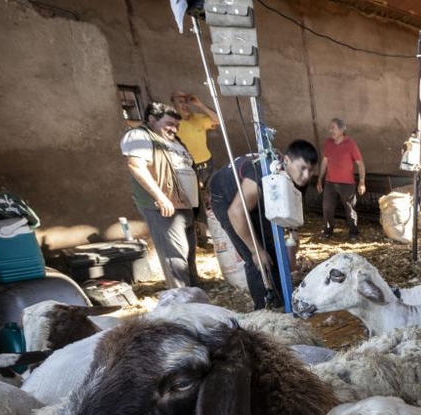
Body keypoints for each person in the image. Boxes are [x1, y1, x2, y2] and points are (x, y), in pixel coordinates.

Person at [207, 140, 318, 309]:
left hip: (257, 195)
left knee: (274, 248)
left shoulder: (298, 179)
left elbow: (294, 205)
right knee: (258, 259)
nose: (306, 175)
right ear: (286, 161)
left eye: (310, 170)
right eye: (302, 168)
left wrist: (293, 231)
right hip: (226, 196)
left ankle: (282, 301)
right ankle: (265, 310)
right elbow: (236, 212)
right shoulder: (261, 174)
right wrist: (256, 250)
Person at [121, 101, 199, 289]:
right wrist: (160, 197)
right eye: (169, 124)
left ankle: (194, 291)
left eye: (176, 125)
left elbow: (186, 167)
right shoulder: (139, 135)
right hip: (163, 204)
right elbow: (135, 165)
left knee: (188, 251)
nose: (174, 129)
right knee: (174, 253)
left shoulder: (175, 142)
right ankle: (182, 297)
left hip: (185, 204)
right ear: (151, 119)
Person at [170, 90, 219, 246]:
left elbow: (218, 120)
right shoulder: (173, 123)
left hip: (207, 163)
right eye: (180, 101)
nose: (184, 104)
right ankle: (203, 237)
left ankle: (219, 231)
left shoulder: (198, 119)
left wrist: (200, 104)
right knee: (196, 202)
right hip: (189, 168)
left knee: (214, 197)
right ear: (173, 105)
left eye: (186, 101)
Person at [316, 118, 366, 240]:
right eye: (330, 128)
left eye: (333, 127)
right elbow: (324, 162)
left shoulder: (350, 144)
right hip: (330, 182)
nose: (330, 130)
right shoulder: (328, 143)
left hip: (347, 183)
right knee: (327, 207)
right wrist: (319, 179)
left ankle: (353, 232)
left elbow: (360, 164)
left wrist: (362, 182)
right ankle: (327, 231)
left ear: (341, 129)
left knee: (350, 209)